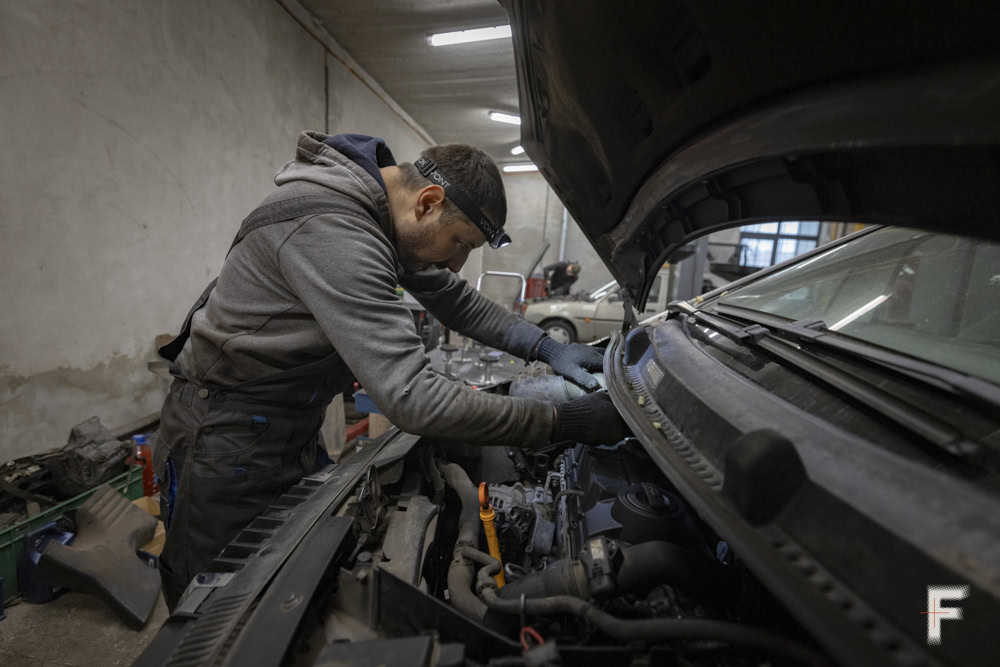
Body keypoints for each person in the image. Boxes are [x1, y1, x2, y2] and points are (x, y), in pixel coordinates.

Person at [152, 132, 629, 609]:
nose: (459, 265)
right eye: (460, 243)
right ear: (427, 202)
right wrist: (564, 422)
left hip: (286, 426)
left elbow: (456, 301)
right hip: (223, 435)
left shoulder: (380, 218)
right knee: (218, 603)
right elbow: (413, 397)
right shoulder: (335, 230)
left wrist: (545, 347)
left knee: (285, 587)